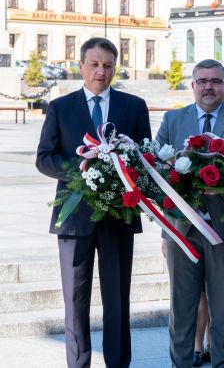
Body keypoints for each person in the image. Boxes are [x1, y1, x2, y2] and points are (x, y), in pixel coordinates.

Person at [36, 37, 151, 368]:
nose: (101, 71)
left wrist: (123, 171)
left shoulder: (134, 106)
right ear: (81, 66)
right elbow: (44, 157)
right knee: (75, 301)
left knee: (117, 302)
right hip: (74, 219)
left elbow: (145, 158)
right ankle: (79, 363)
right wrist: (83, 169)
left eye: (108, 65)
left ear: (115, 68)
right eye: (94, 64)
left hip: (119, 217)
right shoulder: (60, 107)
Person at [156, 59, 224, 368]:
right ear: (193, 85)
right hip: (182, 231)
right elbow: (156, 171)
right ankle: (181, 364)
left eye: (216, 81)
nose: (209, 86)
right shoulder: (173, 120)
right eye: (203, 81)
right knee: (181, 307)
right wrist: (165, 231)